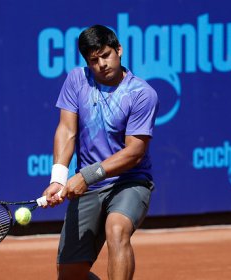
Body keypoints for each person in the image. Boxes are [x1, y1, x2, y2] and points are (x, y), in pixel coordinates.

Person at [42, 25, 159, 280]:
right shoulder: (76, 79)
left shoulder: (142, 94)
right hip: (90, 188)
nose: (102, 64)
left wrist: (86, 176)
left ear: (119, 50)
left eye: (106, 55)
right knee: (70, 275)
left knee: (117, 229)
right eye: (94, 60)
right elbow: (66, 131)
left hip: (129, 181)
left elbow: (134, 153)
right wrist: (58, 178)